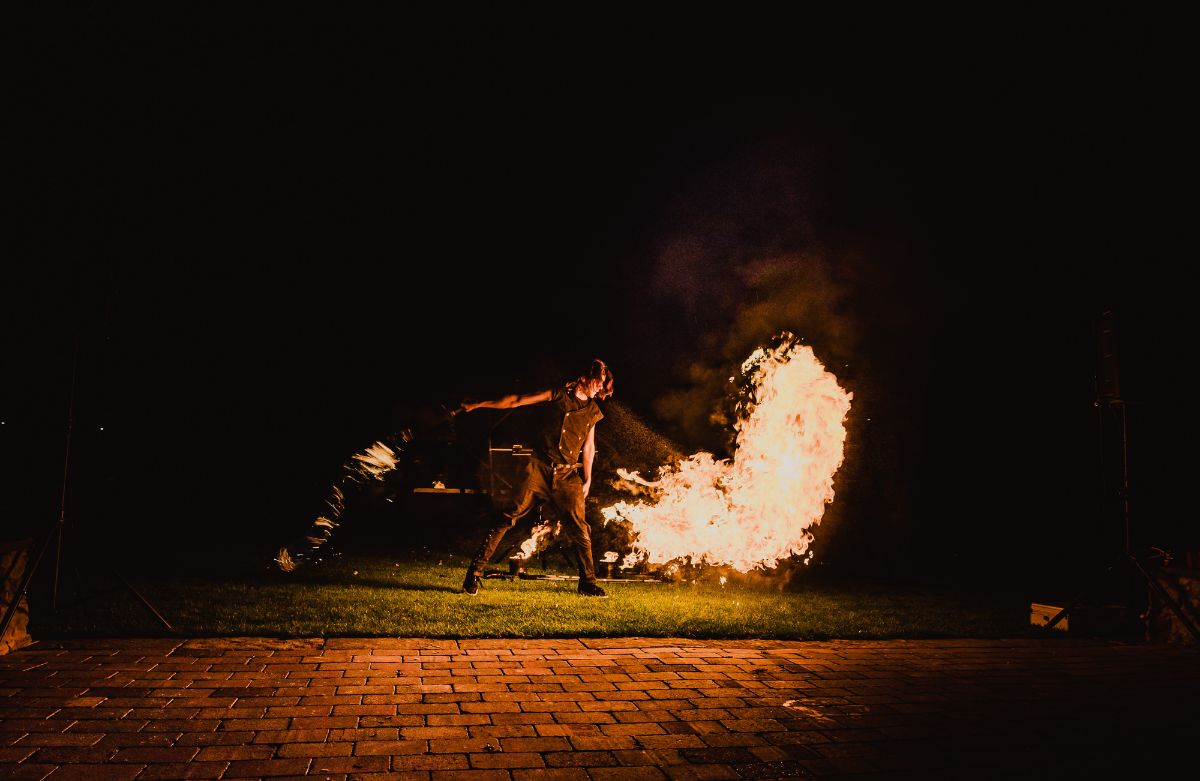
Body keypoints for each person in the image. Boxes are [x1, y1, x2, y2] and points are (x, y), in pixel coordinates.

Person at [458, 359, 614, 597]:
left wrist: (588, 478)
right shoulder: (557, 394)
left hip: (567, 474)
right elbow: (516, 400)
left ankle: (587, 583)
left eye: (602, 385)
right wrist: (479, 404)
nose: (600, 389)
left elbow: (589, 446)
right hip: (537, 469)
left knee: (580, 529)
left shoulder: (593, 411)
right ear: (584, 377)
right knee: (508, 517)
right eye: (598, 382)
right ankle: (473, 574)